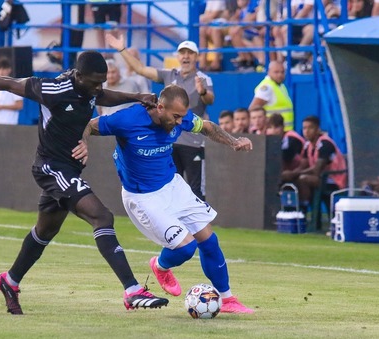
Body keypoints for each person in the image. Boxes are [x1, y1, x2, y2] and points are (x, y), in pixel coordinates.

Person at [0, 50, 169, 315]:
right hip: (51, 168)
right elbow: (8, 83)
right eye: (94, 82)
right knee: (102, 217)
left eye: (101, 81)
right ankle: (132, 290)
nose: (98, 87)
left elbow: (101, 95)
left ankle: (9, 281)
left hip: (68, 169)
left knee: (45, 232)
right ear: (79, 76)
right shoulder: (52, 89)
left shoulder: (90, 88)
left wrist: (135, 97)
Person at [80, 84, 254, 314]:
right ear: (160, 108)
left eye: (183, 117)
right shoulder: (128, 119)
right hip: (143, 197)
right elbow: (91, 125)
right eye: (175, 117)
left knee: (210, 241)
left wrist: (233, 142)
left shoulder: (181, 117)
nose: (181, 123)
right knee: (185, 249)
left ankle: (227, 299)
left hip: (173, 186)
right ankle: (160, 266)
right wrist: (83, 144)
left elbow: (207, 127)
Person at [106, 33, 214, 201]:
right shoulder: (170, 75)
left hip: (193, 142)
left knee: (195, 190)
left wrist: (203, 92)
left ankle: (198, 226)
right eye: (183, 53)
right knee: (169, 189)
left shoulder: (203, 79)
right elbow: (141, 69)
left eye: (190, 53)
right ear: (178, 56)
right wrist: (122, 49)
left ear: (196, 57)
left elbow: (210, 100)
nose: (186, 56)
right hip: (169, 141)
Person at [283, 115, 346, 208]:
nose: (306, 131)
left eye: (310, 128)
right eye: (304, 128)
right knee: (291, 179)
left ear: (318, 129)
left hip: (333, 180)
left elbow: (317, 169)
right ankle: (293, 210)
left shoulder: (325, 144)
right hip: (320, 178)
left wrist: (294, 174)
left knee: (302, 179)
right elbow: (303, 165)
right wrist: (292, 173)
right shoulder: (307, 145)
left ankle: (304, 210)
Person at [248, 61, 294, 131]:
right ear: (269, 72)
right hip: (273, 131)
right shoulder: (267, 87)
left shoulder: (281, 85)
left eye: (282, 72)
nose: (280, 75)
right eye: (276, 72)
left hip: (283, 130)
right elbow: (253, 108)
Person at [0, 56, 24, 125]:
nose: (1, 72)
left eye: (4, 69)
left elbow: (19, 105)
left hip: (9, 123)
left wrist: (0, 107)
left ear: (9, 70)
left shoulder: (15, 85)